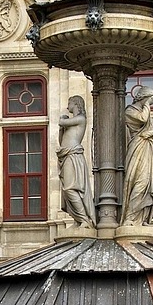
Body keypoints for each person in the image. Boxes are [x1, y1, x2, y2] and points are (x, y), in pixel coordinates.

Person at [121, 85, 153, 226]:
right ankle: (130, 217)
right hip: (137, 147)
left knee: (147, 183)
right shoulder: (130, 111)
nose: (152, 102)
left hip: (149, 149)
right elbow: (143, 119)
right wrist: (146, 106)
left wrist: (150, 133)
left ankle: (142, 217)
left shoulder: (145, 111)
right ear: (143, 97)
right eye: (151, 98)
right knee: (139, 182)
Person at [57, 96, 94, 227]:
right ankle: (78, 218)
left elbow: (61, 122)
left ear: (76, 103)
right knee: (68, 188)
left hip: (73, 156)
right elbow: (61, 140)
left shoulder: (80, 119)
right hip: (66, 155)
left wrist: (63, 120)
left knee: (70, 188)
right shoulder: (73, 121)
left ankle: (85, 219)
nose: (68, 107)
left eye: (69, 103)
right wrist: (61, 129)